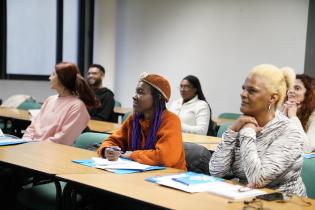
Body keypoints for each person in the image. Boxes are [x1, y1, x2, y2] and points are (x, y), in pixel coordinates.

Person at [209, 64, 306, 196]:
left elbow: (257, 180)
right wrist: (232, 131)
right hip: (244, 197)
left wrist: (247, 132)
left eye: (252, 90)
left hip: (282, 202)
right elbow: (216, 171)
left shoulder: (290, 132)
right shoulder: (242, 124)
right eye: (243, 89)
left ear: (273, 97)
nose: (242, 94)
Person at [97, 72, 186, 170]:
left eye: (140, 92)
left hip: (168, 176)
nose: (134, 96)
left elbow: (165, 158)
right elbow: (113, 140)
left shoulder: (171, 120)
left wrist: (132, 155)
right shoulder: (133, 119)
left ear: (157, 98)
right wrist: (107, 149)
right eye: (136, 92)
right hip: (138, 174)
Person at [23, 62, 99, 145]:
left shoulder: (77, 106)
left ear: (62, 79)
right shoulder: (50, 100)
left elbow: (63, 139)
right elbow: (33, 126)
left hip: (52, 152)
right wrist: (25, 141)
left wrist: (37, 146)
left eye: (53, 74)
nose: (50, 78)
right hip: (33, 147)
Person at [283, 74, 315, 153]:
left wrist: (293, 116)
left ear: (308, 94)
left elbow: (307, 148)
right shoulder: (287, 109)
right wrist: (283, 115)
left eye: (297, 88)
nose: (290, 91)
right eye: (289, 88)